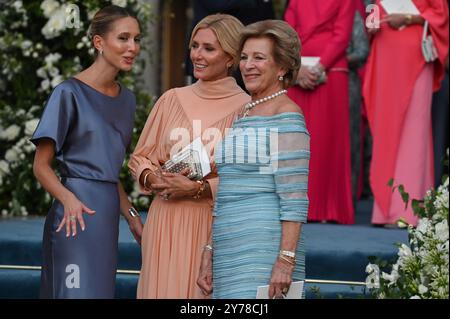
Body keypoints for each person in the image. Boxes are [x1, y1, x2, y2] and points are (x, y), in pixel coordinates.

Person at [128, 14, 250, 299]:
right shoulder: (171, 98)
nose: (197, 55)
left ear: (231, 57)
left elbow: (249, 179)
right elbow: (141, 156)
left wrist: (198, 188)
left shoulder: (247, 109)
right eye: (195, 46)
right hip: (164, 220)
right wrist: (150, 176)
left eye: (209, 48)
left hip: (210, 224)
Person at [31, 5, 143, 298]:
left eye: (137, 39)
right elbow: (41, 166)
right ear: (99, 42)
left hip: (106, 220)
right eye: (124, 38)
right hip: (74, 219)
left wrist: (131, 216)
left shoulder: (128, 101)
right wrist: (68, 199)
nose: (132, 47)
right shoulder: (68, 93)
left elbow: (107, 171)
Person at [197, 19, 309, 299]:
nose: (248, 65)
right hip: (229, 248)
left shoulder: (287, 115)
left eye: (259, 58)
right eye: (244, 57)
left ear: (282, 67)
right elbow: (227, 189)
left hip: (263, 250)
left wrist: (285, 260)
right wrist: (210, 250)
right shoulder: (245, 112)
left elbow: (294, 198)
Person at [363, 0, 449, 226]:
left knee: (413, 131)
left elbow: (441, 17)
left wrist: (410, 18)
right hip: (385, 54)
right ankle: (383, 210)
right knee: (385, 128)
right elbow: (372, 7)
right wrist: (370, 24)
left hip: (415, 55)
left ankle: (408, 211)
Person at [284, 0, 355, 224]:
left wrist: (302, 69)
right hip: (319, 71)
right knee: (298, 139)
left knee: (325, 141)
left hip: (320, 72)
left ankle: (318, 208)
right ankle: (321, 209)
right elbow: (288, 34)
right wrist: (303, 70)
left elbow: (341, 35)